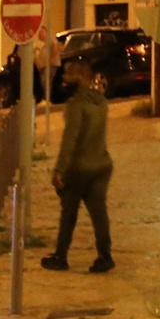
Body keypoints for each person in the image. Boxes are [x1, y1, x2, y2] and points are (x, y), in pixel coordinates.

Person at [39, 55, 114, 273]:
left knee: (69, 214)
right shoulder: (101, 102)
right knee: (99, 213)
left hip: (79, 168)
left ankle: (60, 256)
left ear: (80, 77)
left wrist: (59, 170)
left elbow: (69, 140)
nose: (64, 78)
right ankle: (105, 255)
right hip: (101, 165)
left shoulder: (76, 105)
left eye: (68, 74)